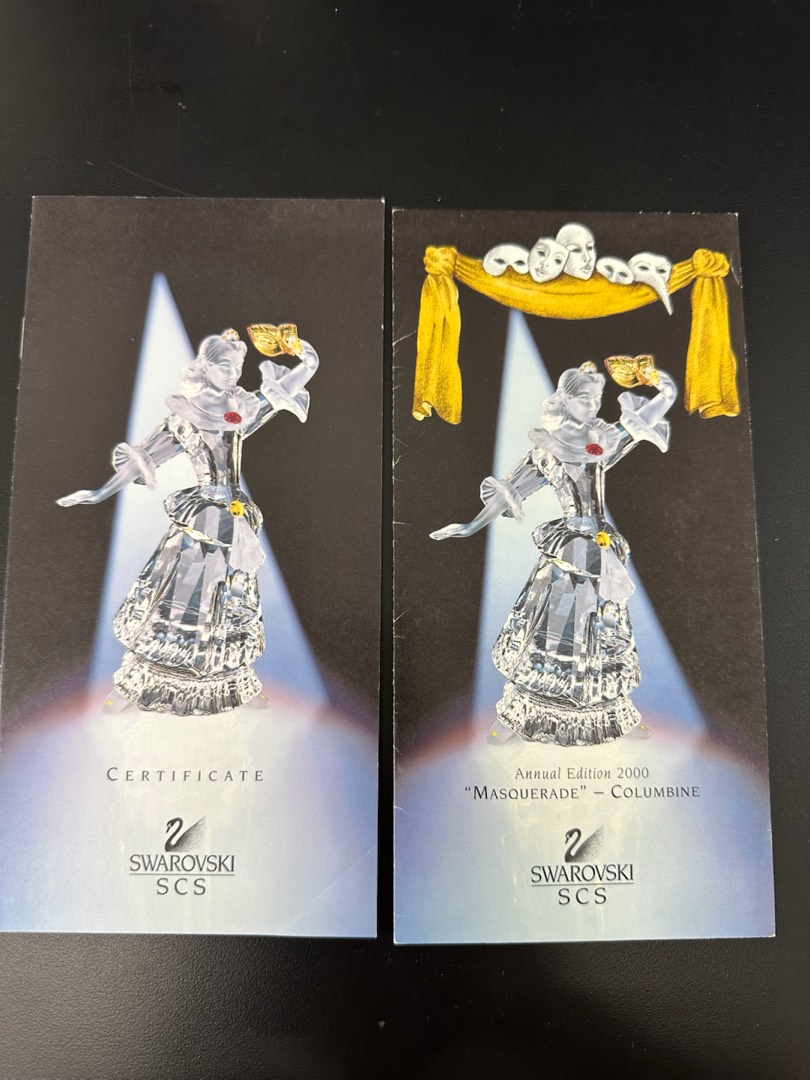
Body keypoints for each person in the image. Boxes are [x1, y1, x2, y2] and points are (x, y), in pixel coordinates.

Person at [58, 327, 318, 716]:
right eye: (226, 366)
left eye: (239, 367)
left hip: (235, 518)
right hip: (203, 516)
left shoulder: (239, 408)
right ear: (206, 367)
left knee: (231, 599)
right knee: (180, 598)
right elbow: (143, 459)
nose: (234, 374)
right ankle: (135, 684)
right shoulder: (186, 416)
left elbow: (279, 392)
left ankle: (235, 684)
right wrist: (99, 493)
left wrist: (308, 361)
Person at [431, 359, 677, 746]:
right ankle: (517, 716)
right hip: (570, 548)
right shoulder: (548, 450)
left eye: (596, 399)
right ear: (565, 400)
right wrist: (470, 526)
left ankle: (614, 716)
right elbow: (509, 493)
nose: (592, 407)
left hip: (602, 547)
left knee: (603, 630)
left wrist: (662, 387)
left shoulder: (602, 439)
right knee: (554, 631)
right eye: (584, 400)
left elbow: (646, 415)